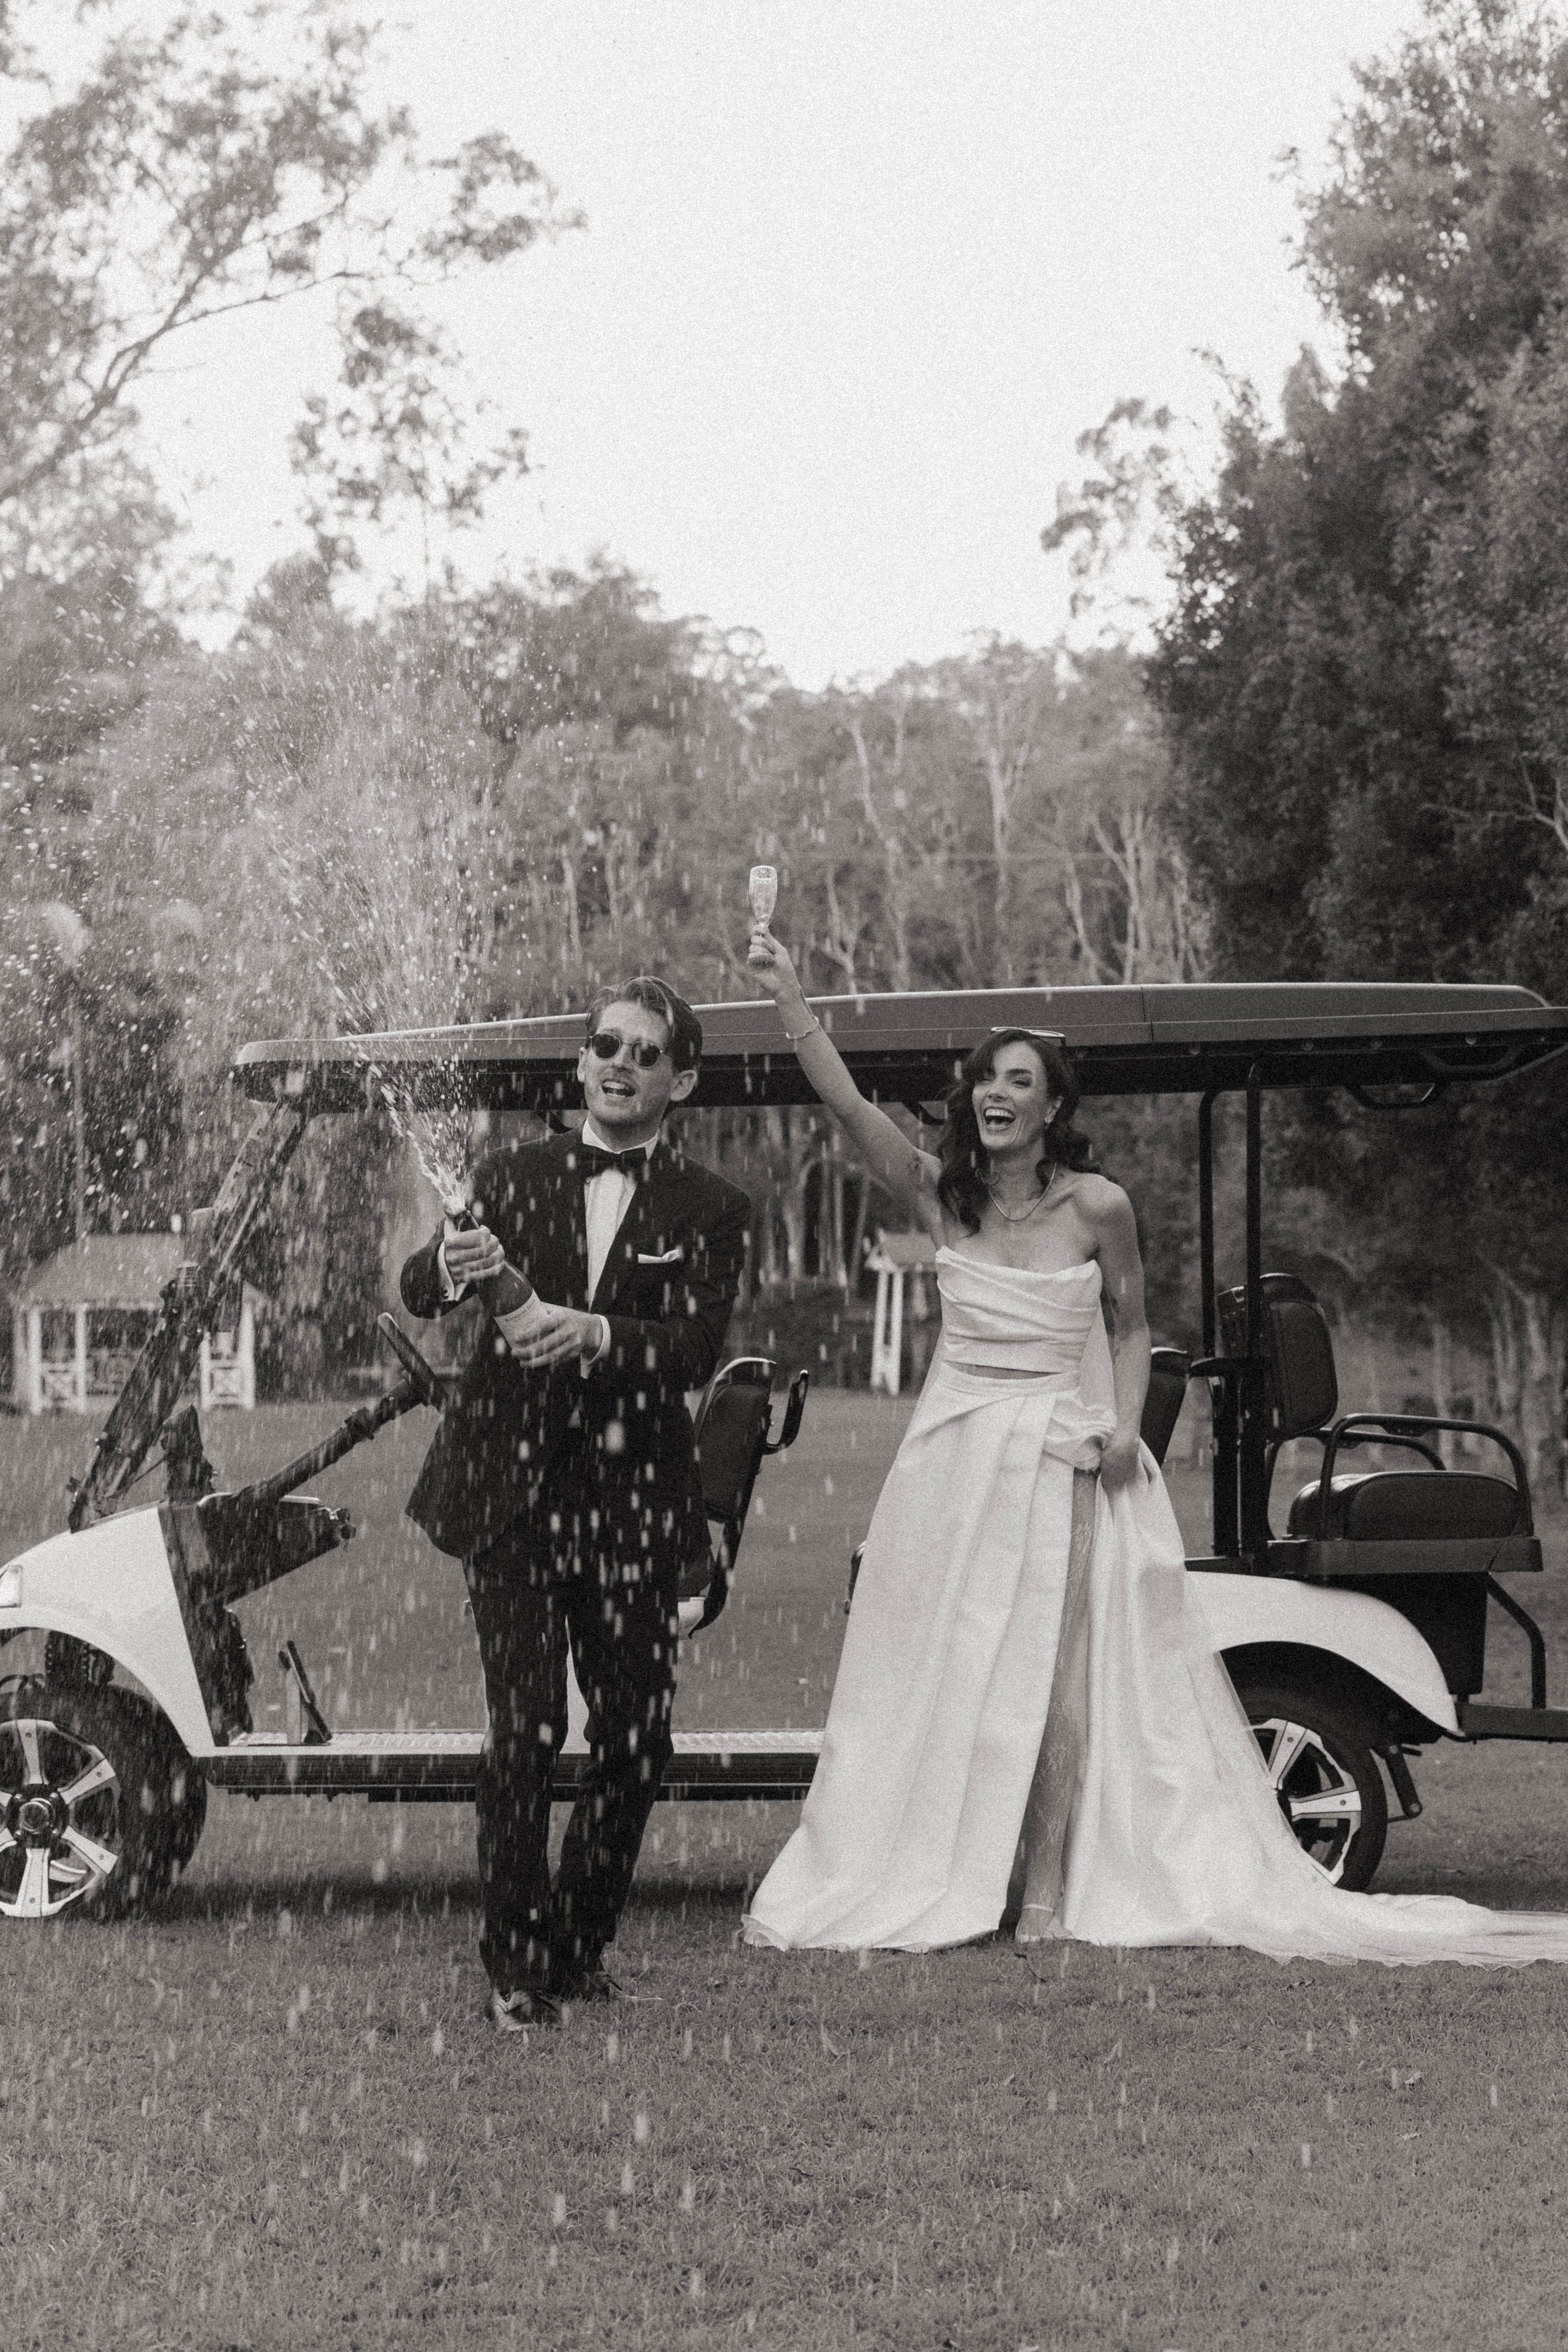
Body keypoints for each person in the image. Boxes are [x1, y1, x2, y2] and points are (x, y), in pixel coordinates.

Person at [742, 925, 1568, 1967]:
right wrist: (786, 997)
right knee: (939, 1669)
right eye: (983, 1080)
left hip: (1061, 1453)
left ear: (1052, 1106)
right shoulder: (938, 1192)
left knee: (1051, 1679)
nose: (994, 1094)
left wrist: (1123, 1426)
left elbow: (1130, 1324)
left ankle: (1043, 1887)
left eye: (1017, 1080)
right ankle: (945, 1867)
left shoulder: (1097, 1206)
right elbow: (845, 1102)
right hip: (950, 1462)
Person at [401, 977, 750, 2033]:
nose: (620, 1063)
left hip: (635, 1502)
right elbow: (420, 1291)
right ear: (580, 1061)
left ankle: (577, 1940)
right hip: (510, 1493)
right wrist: (448, 1265)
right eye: (605, 1045)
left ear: (678, 1079)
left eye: (646, 1053)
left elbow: (692, 1348)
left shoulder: (711, 1208)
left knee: (638, 1742)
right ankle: (513, 1964)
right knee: (525, 1730)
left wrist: (596, 1334)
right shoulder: (509, 1174)